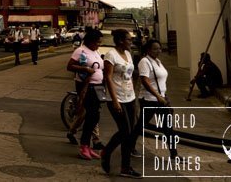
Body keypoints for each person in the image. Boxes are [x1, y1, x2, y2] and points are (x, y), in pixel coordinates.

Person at [101, 29, 141, 178]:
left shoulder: (128, 54)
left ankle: (123, 166)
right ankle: (111, 155)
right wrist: (115, 101)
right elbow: (108, 78)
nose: (131, 42)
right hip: (116, 99)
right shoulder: (111, 55)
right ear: (120, 41)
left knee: (129, 133)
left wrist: (134, 96)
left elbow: (130, 76)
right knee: (125, 132)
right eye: (128, 40)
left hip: (129, 97)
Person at [135, 39, 178, 159]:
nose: (158, 51)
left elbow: (160, 82)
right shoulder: (144, 61)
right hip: (149, 100)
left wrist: (164, 96)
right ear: (148, 50)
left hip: (160, 100)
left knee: (168, 127)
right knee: (140, 126)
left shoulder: (157, 61)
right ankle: (130, 147)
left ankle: (174, 154)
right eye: (155, 49)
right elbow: (145, 81)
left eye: (159, 48)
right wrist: (158, 96)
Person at [66, 28, 105, 161]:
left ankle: (87, 145)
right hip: (86, 86)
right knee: (90, 115)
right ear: (90, 41)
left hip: (97, 87)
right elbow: (70, 66)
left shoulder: (95, 51)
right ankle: (84, 145)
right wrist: (84, 69)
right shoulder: (80, 50)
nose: (99, 45)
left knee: (95, 116)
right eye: (97, 42)